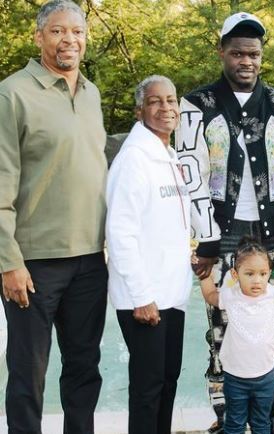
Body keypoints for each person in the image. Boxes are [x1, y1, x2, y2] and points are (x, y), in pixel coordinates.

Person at [176, 12, 274, 434]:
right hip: (222, 232)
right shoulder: (195, 105)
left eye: (253, 53)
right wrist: (205, 240)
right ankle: (227, 420)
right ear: (222, 52)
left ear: (262, 56)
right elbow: (190, 170)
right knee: (222, 332)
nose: (246, 60)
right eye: (237, 52)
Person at [0, 1, 108, 432]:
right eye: (58, 32)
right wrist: (8, 260)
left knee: (84, 370)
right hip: (33, 263)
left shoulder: (92, 93)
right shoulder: (13, 93)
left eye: (77, 32)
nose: (69, 40)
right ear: (39, 37)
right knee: (28, 375)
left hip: (89, 261)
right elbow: (1, 180)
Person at [105, 75, 192, 434]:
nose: (166, 108)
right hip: (145, 298)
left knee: (167, 380)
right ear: (140, 109)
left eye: (171, 100)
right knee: (147, 388)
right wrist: (142, 296)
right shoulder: (133, 160)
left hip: (172, 293)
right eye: (156, 102)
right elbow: (120, 233)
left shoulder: (167, 154)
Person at [197, 237, 274, 434]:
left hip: (265, 377)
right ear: (236, 274)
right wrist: (202, 273)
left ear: (269, 273)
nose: (257, 280)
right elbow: (210, 295)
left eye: (263, 274)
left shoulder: (270, 294)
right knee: (235, 424)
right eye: (249, 274)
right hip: (235, 378)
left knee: (261, 424)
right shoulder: (230, 296)